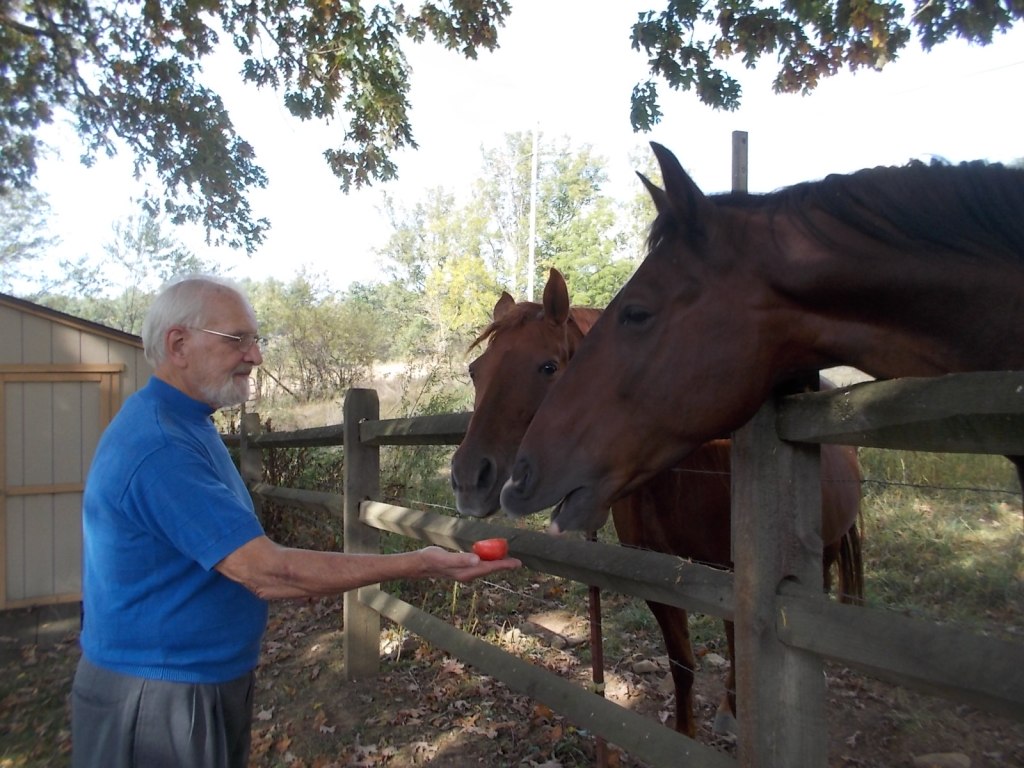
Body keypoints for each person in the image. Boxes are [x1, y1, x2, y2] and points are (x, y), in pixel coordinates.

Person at [71, 275, 520, 768]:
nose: (256, 356)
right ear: (179, 344)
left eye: (256, 340)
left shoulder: (185, 424)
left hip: (195, 680)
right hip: (160, 694)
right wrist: (418, 563)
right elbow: (269, 571)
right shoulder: (160, 446)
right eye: (237, 340)